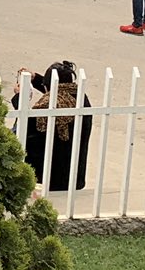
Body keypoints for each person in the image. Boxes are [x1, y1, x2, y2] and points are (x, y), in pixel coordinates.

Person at [14, 60, 91, 190]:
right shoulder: (81, 100)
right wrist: (36, 79)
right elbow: (56, 89)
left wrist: (20, 98)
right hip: (74, 177)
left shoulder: (45, 107)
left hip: (48, 178)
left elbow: (22, 130)